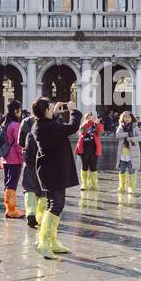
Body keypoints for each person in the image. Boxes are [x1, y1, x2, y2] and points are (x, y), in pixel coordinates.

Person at [31, 98, 81, 260]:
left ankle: (51, 241)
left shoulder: (44, 124)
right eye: (51, 108)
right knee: (56, 205)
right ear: (45, 111)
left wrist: (56, 114)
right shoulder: (46, 127)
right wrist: (73, 111)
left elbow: (55, 127)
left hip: (52, 169)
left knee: (55, 204)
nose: (54, 109)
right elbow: (72, 127)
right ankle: (43, 242)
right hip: (52, 171)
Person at [0, 100, 25, 219]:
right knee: (12, 184)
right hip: (15, 159)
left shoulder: (5, 123)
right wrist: (24, 156)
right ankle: (12, 210)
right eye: (20, 110)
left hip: (6, 158)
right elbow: (19, 144)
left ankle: (8, 208)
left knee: (7, 183)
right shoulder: (15, 125)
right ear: (16, 111)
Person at [19, 109, 43, 228]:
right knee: (44, 189)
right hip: (44, 161)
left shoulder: (26, 122)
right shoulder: (49, 123)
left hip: (29, 159)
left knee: (29, 187)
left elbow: (20, 142)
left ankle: (30, 213)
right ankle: (41, 216)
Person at [114, 111, 141, 195]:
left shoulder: (135, 127)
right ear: (123, 118)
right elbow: (117, 135)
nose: (127, 119)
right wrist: (127, 134)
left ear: (131, 118)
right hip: (122, 154)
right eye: (125, 117)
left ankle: (131, 188)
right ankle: (122, 186)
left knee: (131, 171)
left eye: (128, 117)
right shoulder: (120, 126)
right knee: (122, 171)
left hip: (131, 154)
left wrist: (133, 138)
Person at [75, 112, 104, 191]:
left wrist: (97, 124)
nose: (90, 118)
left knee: (93, 167)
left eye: (91, 117)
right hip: (84, 150)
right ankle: (84, 184)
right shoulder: (84, 125)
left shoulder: (96, 126)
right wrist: (89, 122)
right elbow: (82, 130)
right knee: (84, 166)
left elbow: (100, 132)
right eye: (88, 117)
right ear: (85, 118)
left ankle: (94, 184)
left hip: (94, 150)